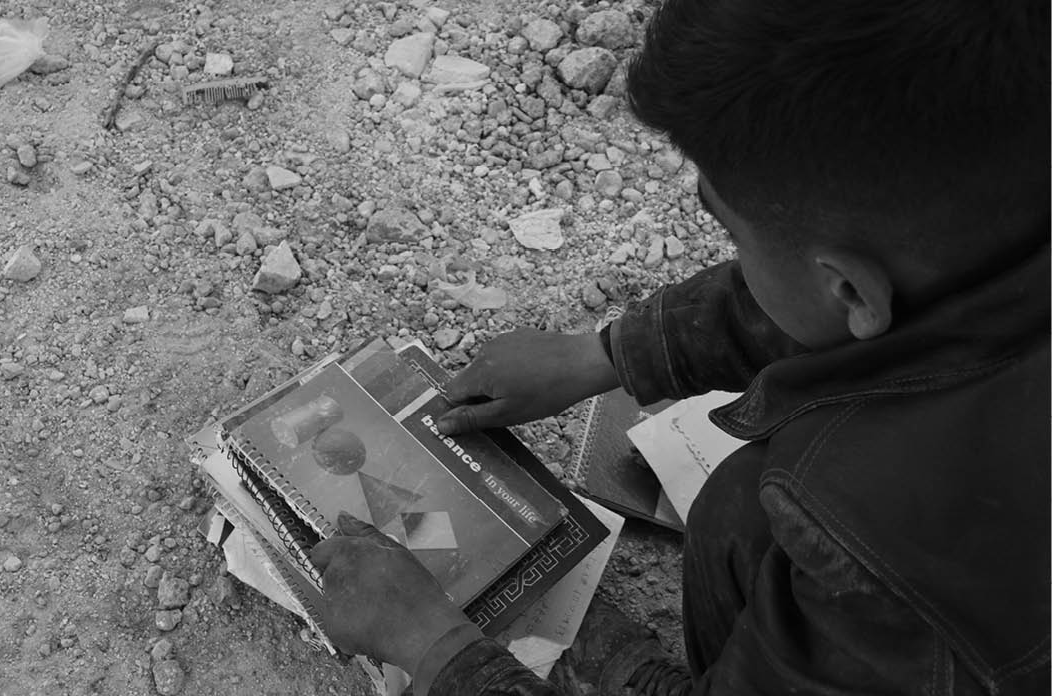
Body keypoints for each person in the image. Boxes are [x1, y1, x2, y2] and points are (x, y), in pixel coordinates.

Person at [308, 0, 1051, 694]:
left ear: (852, 292)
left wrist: (434, 645)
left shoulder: (891, 537)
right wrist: (607, 354)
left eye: (733, 233)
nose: (735, 257)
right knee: (738, 508)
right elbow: (854, 297)